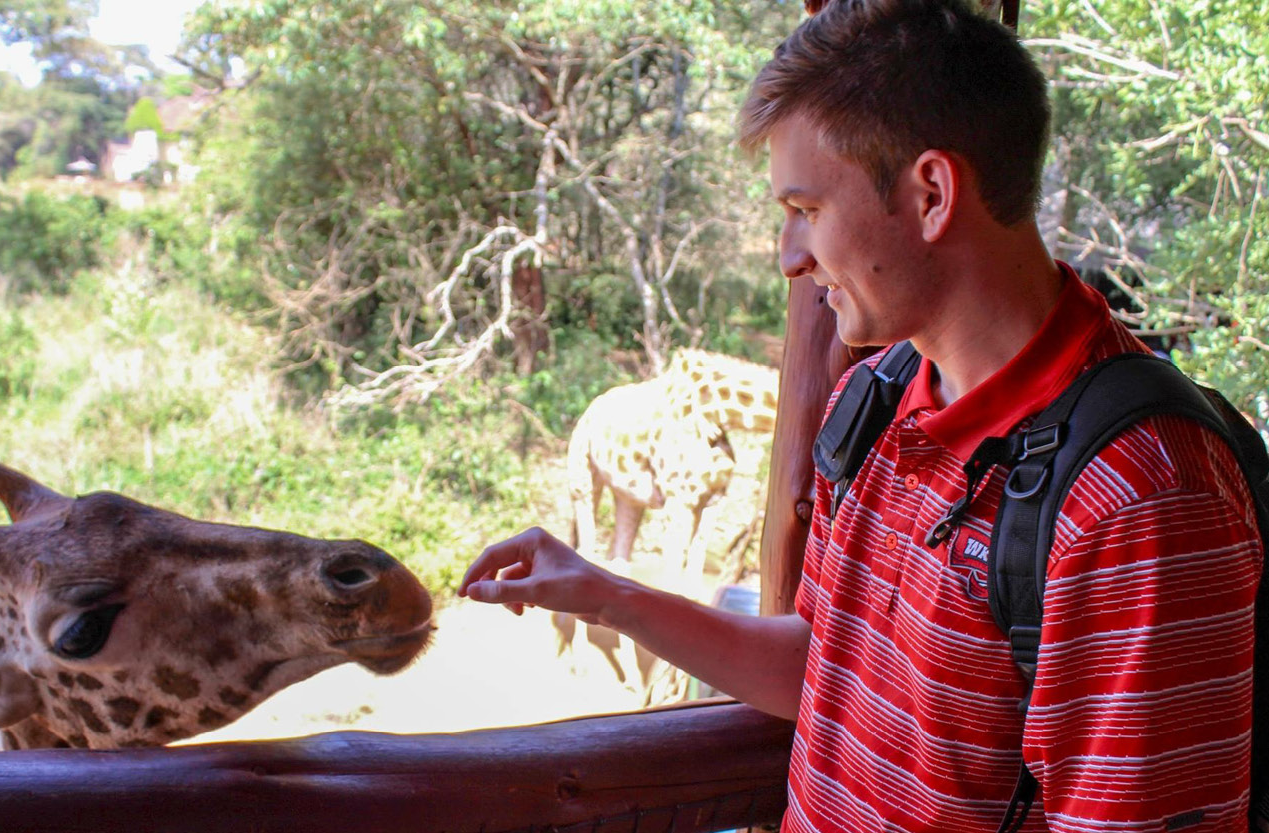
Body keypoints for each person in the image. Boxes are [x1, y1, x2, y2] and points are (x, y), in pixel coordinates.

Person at [459, 0, 1262, 830]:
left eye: (806, 210)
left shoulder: (1140, 498)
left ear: (932, 194)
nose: (788, 257)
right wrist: (605, 593)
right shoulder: (875, 399)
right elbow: (828, 664)